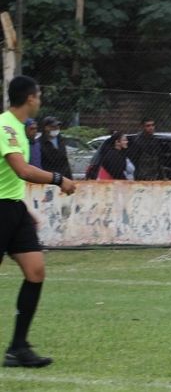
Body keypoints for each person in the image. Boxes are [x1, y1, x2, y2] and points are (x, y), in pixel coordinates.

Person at [0, 75, 76, 367]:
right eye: (39, 95)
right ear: (30, 98)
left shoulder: (19, 128)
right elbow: (22, 170)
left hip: (13, 209)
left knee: (36, 271)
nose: (40, 100)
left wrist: (24, 209)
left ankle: (18, 348)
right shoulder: (5, 126)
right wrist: (58, 179)